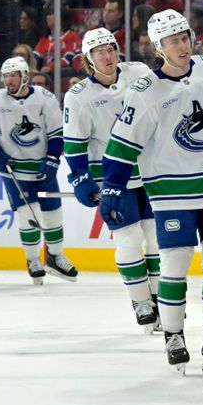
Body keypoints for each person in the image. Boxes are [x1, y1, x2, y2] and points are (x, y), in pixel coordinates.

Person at [100, 9, 203, 375]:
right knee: (175, 265)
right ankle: (174, 335)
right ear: (157, 47)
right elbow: (122, 143)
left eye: (185, 37)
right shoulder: (145, 91)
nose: (182, 46)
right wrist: (113, 186)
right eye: (172, 41)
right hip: (171, 193)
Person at [63, 28, 161, 333]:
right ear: (88, 60)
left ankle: (161, 300)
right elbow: (74, 142)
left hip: (150, 170)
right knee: (129, 240)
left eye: (111, 48)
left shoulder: (140, 73)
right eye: (99, 52)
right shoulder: (79, 96)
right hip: (111, 177)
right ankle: (141, 301)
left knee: (157, 238)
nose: (107, 56)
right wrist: (80, 177)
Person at [0, 56, 78, 284]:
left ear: (25, 76)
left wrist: (53, 158)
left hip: (43, 166)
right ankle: (33, 259)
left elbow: (57, 132)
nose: (9, 80)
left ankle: (55, 256)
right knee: (29, 214)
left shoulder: (45, 98)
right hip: (14, 170)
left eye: (14, 75)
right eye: (6, 76)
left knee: (53, 213)